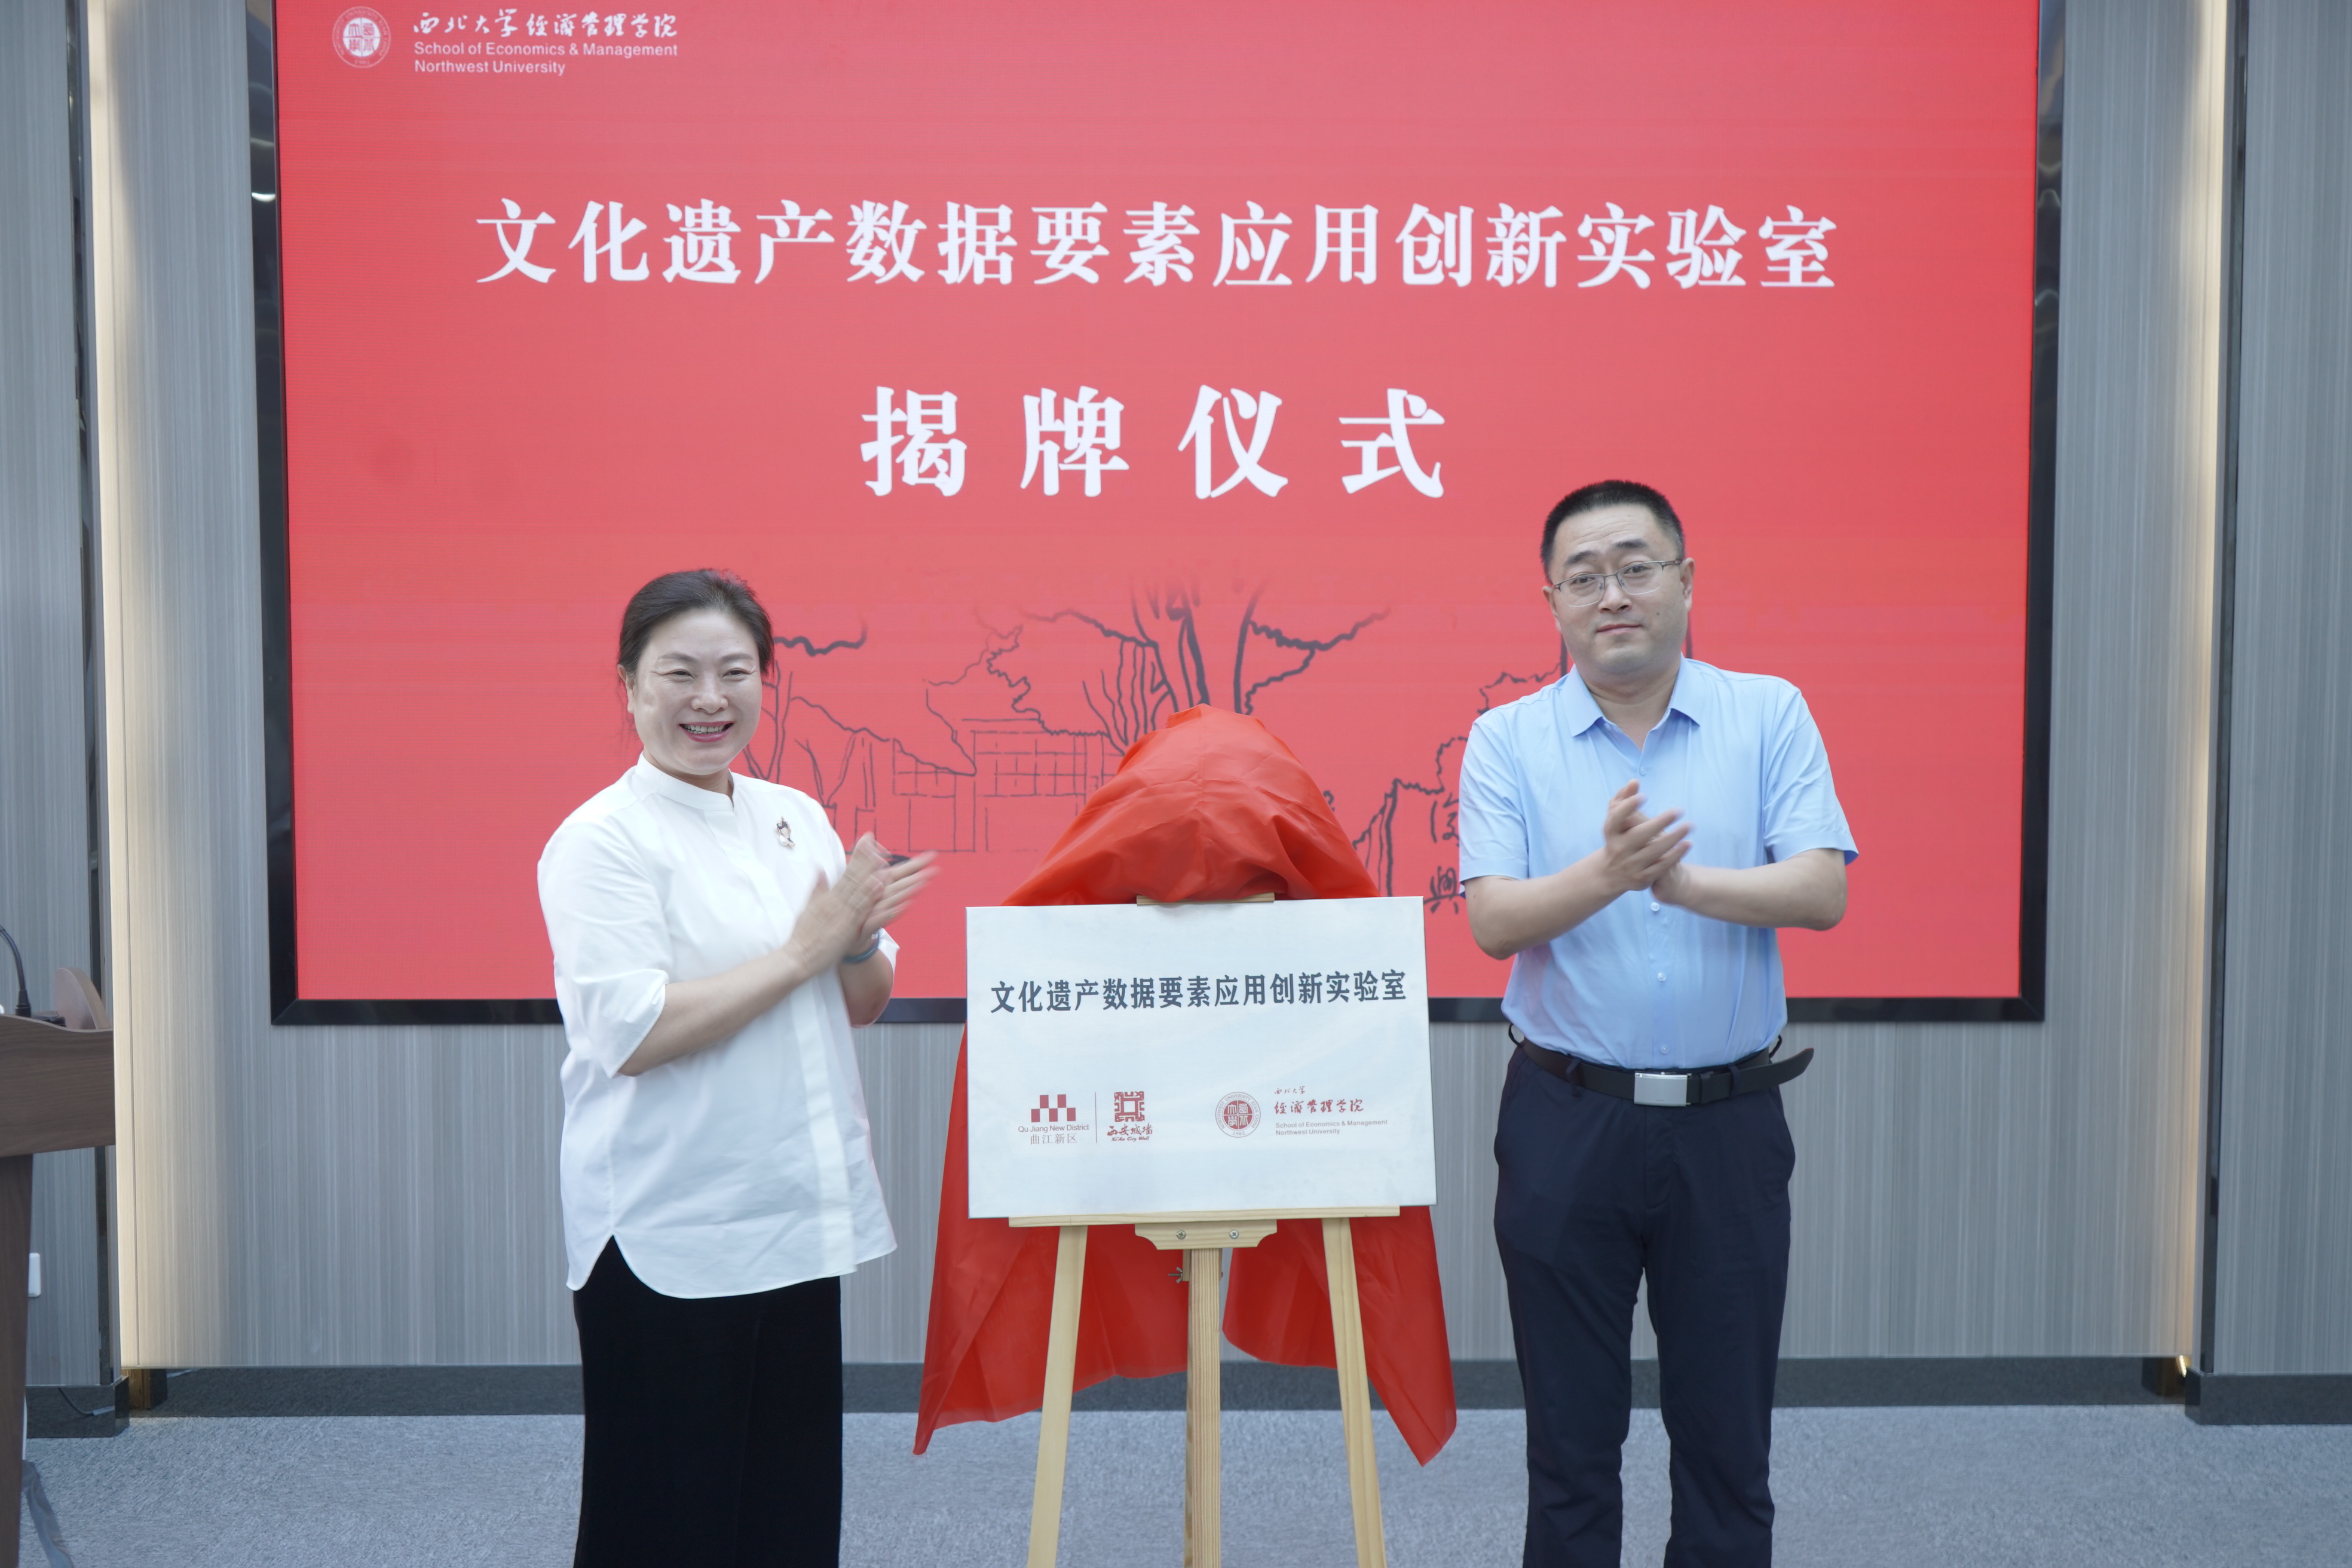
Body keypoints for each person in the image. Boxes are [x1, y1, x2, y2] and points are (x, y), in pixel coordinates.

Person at [1457, 481, 1856, 1567]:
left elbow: (1821, 889)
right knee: (1571, 1445)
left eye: (1636, 566)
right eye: (1583, 577)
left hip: (1727, 1125)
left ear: (1686, 580)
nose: (1613, 594)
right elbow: (1493, 920)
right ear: (1552, 603)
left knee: (1727, 1443)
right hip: (1565, 1121)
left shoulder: (1768, 713)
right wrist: (1610, 874)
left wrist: (1682, 887)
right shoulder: (1507, 739)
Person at [538, 568, 935, 1567]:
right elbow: (633, 1033)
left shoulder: (793, 813)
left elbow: (863, 1000)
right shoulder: (600, 841)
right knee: (664, 1525)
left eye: (735, 672)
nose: (709, 699)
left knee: (787, 1516)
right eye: (679, 674)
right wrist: (805, 952)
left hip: (793, 1215)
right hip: (670, 1225)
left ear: (766, 681)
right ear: (630, 685)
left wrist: (854, 940)